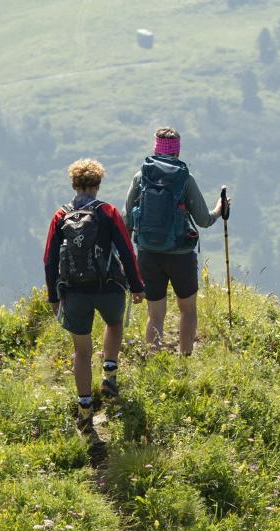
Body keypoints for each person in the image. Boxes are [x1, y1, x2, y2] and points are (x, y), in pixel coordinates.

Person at [44, 159, 145, 431]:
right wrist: (137, 285)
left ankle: (85, 406)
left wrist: (53, 295)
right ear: (98, 185)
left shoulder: (60, 216)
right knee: (114, 324)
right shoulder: (108, 212)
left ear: (74, 184)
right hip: (108, 286)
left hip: (75, 291)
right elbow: (126, 250)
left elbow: (49, 260)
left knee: (81, 350)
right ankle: (109, 374)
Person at [124, 127, 229, 355]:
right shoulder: (184, 178)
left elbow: (126, 220)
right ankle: (185, 357)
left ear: (155, 148)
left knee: (155, 314)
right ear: (177, 151)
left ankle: (153, 359)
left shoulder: (141, 176)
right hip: (180, 255)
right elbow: (203, 220)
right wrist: (220, 209)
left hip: (148, 253)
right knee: (188, 310)